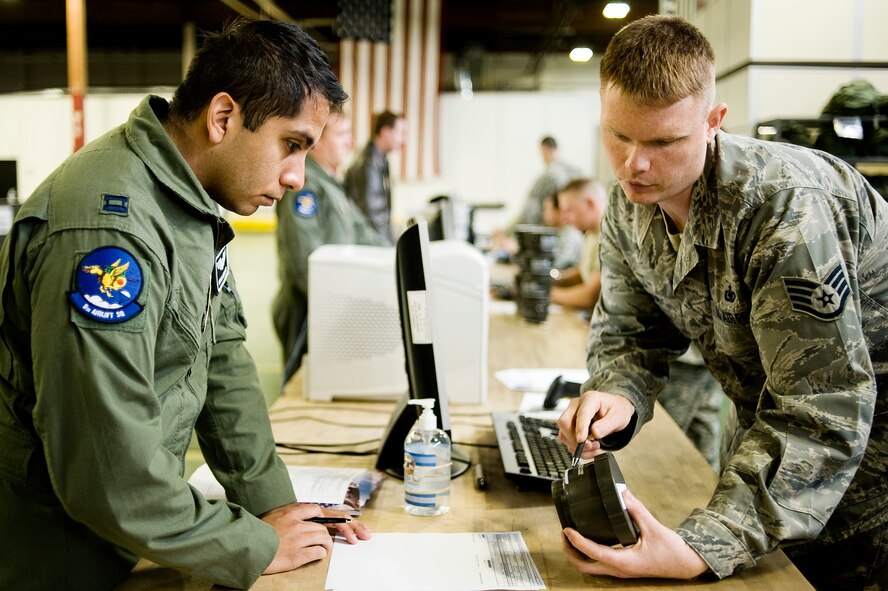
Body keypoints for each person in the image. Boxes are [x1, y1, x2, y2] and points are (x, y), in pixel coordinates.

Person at [0, 19, 371, 591]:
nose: (298, 177)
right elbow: (105, 471)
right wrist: (252, 544)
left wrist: (279, 512)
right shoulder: (110, 233)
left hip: (133, 532)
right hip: (57, 553)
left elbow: (220, 360)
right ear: (222, 118)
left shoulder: (189, 201)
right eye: (291, 145)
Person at [557, 15, 888, 590]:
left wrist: (701, 545)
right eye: (618, 135)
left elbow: (824, 407)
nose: (635, 163)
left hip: (869, 479)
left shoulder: (784, 211)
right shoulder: (630, 202)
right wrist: (616, 390)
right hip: (774, 454)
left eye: (663, 141)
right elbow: (632, 330)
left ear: (714, 122)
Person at [552, 177, 724, 470]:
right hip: (688, 356)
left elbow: (591, 292)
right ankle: (708, 484)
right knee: (700, 431)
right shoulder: (608, 227)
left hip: (688, 360)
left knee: (670, 448)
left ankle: (704, 485)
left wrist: (548, 292)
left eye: (570, 210)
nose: (565, 218)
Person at [272, 110, 388, 381]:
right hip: (307, 312)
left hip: (333, 308)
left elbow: (366, 236)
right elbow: (305, 263)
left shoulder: (332, 185)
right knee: (300, 394)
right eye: (342, 135)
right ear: (317, 141)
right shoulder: (306, 187)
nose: (351, 143)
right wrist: (341, 308)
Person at [343, 109, 407, 243]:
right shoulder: (368, 163)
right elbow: (372, 216)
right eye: (401, 133)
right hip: (369, 245)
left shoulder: (379, 160)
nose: (403, 140)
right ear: (385, 132)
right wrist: (387, 247)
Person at [548, 177, 608, 310]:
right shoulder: (591, 235)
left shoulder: (609, 237)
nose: (564, 218)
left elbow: (589, 297)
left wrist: (545, 293)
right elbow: (584, 273)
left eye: (568, 210)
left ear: (590, 204)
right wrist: (551, 281)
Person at [514, 136, 581, 227]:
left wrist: (509, 231)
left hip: (548, 230)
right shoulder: (576, 172)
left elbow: (529, 211)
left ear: (544, 150)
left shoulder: (549, 176)